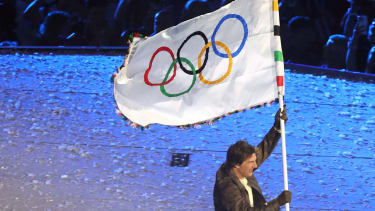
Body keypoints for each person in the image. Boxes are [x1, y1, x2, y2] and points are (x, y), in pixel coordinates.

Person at [213, 106, 292, 210]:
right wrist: (277, 202)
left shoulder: (242, 169)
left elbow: (264, 148)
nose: (255, 165)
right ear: (237, 164)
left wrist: (277, 128)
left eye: (255, 161)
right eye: (251, 162)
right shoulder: (226, 186)